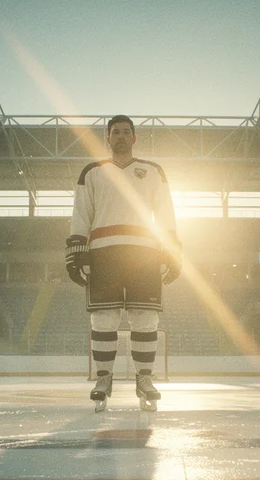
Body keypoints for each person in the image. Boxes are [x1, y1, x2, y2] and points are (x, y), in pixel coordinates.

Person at [65, 114, 182, 411]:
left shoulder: (152, 171)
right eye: (114, 131)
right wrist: (76, 251)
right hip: (103, 253)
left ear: (134, 138)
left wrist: (172, 250)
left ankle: (144, 378)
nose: (120, 136)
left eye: (126, 131)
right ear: (107, 138)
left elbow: (165, 213)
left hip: (145, 253)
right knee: (103, 319)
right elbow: (81, 214)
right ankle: (104, 378)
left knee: (146, 318)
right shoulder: (92, 171)